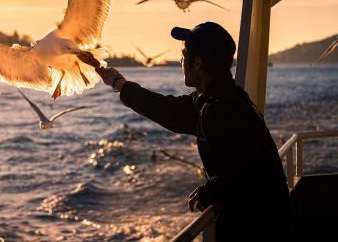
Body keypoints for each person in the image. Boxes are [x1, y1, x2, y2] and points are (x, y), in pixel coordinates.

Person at [87, 22, 292, 241]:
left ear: (197, 63)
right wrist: (117, 82)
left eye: (184, 57)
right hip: (270, 221)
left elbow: (251, 172)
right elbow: (166, 109)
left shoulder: (220, 109)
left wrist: (211, 191)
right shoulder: (223, 98)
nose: (181, 63)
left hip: (259, 229)